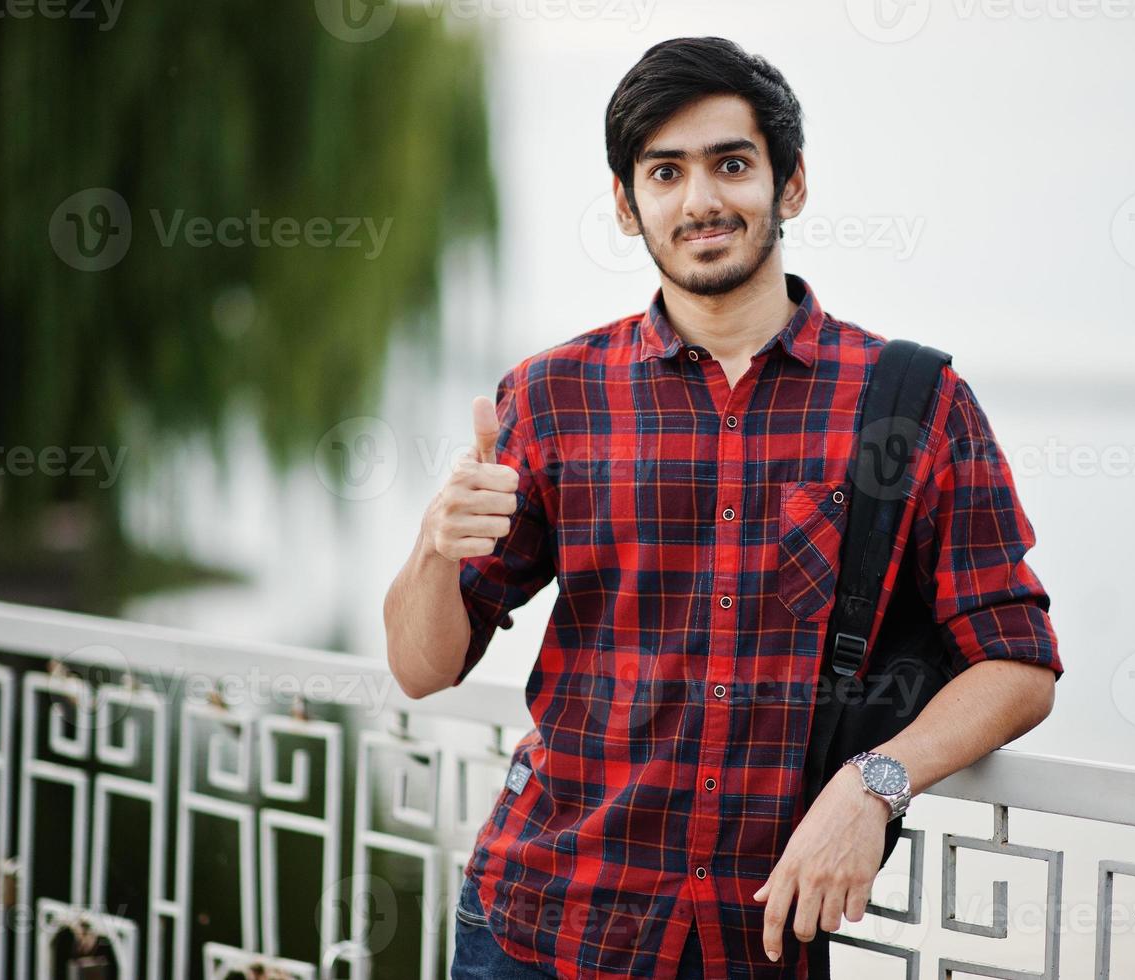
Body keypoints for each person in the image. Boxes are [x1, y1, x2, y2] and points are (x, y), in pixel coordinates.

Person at [384, 35, 1063, 979]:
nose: (700, 200)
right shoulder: (550, 396)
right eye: (665, 172)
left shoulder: (910, 405)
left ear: (789, 185)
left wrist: (873, 786)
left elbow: (1016, 664)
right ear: (628, 205)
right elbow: (421, 670)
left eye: (730, 164)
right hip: (540, 925)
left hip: (754, 942)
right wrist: (431, 547)